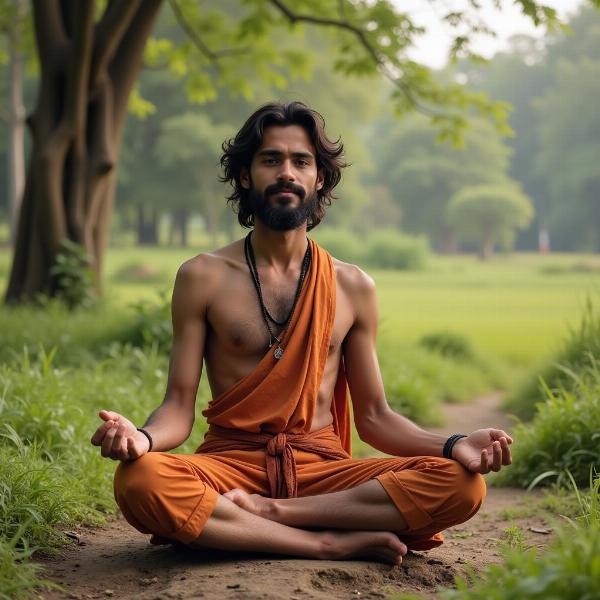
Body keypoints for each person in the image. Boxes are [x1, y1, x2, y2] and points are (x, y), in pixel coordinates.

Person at [91, 101, 512, 566]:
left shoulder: (352, 286)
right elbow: (177, 406)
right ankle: (325, 541)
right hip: (230, 464)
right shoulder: (202, 277)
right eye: (271, 159)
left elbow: (375, 418)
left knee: (462, 484)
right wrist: (142, 439)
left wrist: (454, 445)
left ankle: (265, 517)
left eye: (301, 161)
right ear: (247, 176)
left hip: (323, 471)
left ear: (319, 179)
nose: (286, 172)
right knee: (140, 480)